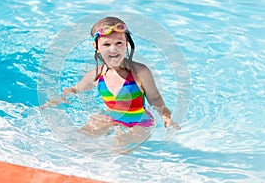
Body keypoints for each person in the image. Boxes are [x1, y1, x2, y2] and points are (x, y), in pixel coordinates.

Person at [42, 16, 180, 149]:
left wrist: (165, 115)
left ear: (126, 44)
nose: (113, 49)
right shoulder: (96, 75)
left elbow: (155, 98)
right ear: (96, 46)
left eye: (118, 43)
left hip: (140, 122)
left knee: (120, 145)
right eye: (106, 44)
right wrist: (59, 99)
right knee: (76, 138)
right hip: (111, 116)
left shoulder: (139, 71)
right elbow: (75, 89)